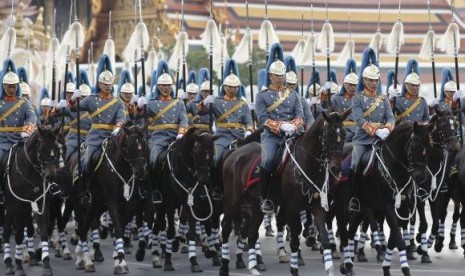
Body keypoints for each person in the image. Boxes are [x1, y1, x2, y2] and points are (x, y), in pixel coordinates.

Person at [68, 54, 127, 205]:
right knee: (86, 163)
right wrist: (74, 98)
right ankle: (86, 191)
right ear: (99, 84)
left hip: (112, 137)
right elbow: (74, 109)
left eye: (110, 84)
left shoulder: (117, 101)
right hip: (95, 138)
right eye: (104, 84)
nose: (108, 86)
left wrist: (118, 127)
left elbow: (122, 117)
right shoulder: (91, 99)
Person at [255, 43, 304, 213]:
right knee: (267, 161)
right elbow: (262, 119)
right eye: (277, 76)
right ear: (270, 76)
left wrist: (293, 126)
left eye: (282, 75)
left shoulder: (293, 94)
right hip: (272, 137)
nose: (280, 78)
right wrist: (280, 126)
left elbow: (300, 116)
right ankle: (265, 198)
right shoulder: (262, 96)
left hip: (292, 135)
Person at [197, 58, 253, 200]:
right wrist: (204, 103)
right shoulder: (216, 101)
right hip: (222, 136)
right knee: (215, 159)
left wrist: (248, 131)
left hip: (239, 136)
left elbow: (249, 122)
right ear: (225, 87)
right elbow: (200, 112)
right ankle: (216, 187)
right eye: (230, 87)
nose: (233, 89)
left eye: (235, 87)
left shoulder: (242, 104)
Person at [348, 47, 395, 213]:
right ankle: (354, 197)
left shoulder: (383, 99)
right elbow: (359, 120)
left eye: (376, 81)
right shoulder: (357, 98)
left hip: (382, 139)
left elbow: (390, 117)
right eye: (371, 80)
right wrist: (375, 130)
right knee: (355, 164)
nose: (374, 84)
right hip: (363, 140)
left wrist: (388, 129)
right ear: (364, 80)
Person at [136, 60, 187, 204]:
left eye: (168, 85)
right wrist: (140, 106)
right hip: (158, 138)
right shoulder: (151, 102)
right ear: (158, 86)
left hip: (175, 138)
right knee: (152, 159)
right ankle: (155, 190)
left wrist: (181, 132)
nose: (166, 88)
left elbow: (183, 120)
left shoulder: (179, 102)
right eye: (163, 85)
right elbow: (138, 116)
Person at [0, 59, 37, 204]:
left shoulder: (23, 102)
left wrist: (27, 130)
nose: (12, 89)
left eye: (14, 87)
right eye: (9, 87)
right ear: (4, 86)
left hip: (19, 140)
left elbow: (32, 116)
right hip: (2, 141)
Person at [55, 70, 92, 160]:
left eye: (87, 97)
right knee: (66, 156)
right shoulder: (72, 107)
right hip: (75, 137)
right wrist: (57, 107)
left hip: (90, 138)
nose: (85, 99)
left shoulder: (94, 107)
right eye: (83, 97)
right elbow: (57, 113)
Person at [390, 59, 429, 124]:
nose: (415, 88)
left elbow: (426, 119)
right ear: (406, 85)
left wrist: (425, 124)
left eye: (417, 85)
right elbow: (389, 117)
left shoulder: (422, 101)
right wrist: (391, 100)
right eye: (412, 85)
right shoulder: (398, 100)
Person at [330, 58, 359, 142]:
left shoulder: (360, 98)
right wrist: (324, 97)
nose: (353, 87)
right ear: (345, 84)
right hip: (342, 130)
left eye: (355, 85)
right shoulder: (336, 98)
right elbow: (327, 110)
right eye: (350, 85)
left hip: (357, 131)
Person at [284, 56, 314, 129]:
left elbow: (310, 117)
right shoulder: (277, 98)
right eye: (289, 84)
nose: (292, 86)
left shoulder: (301, 100)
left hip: (298, 132)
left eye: (294, 84)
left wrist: (309, 128)